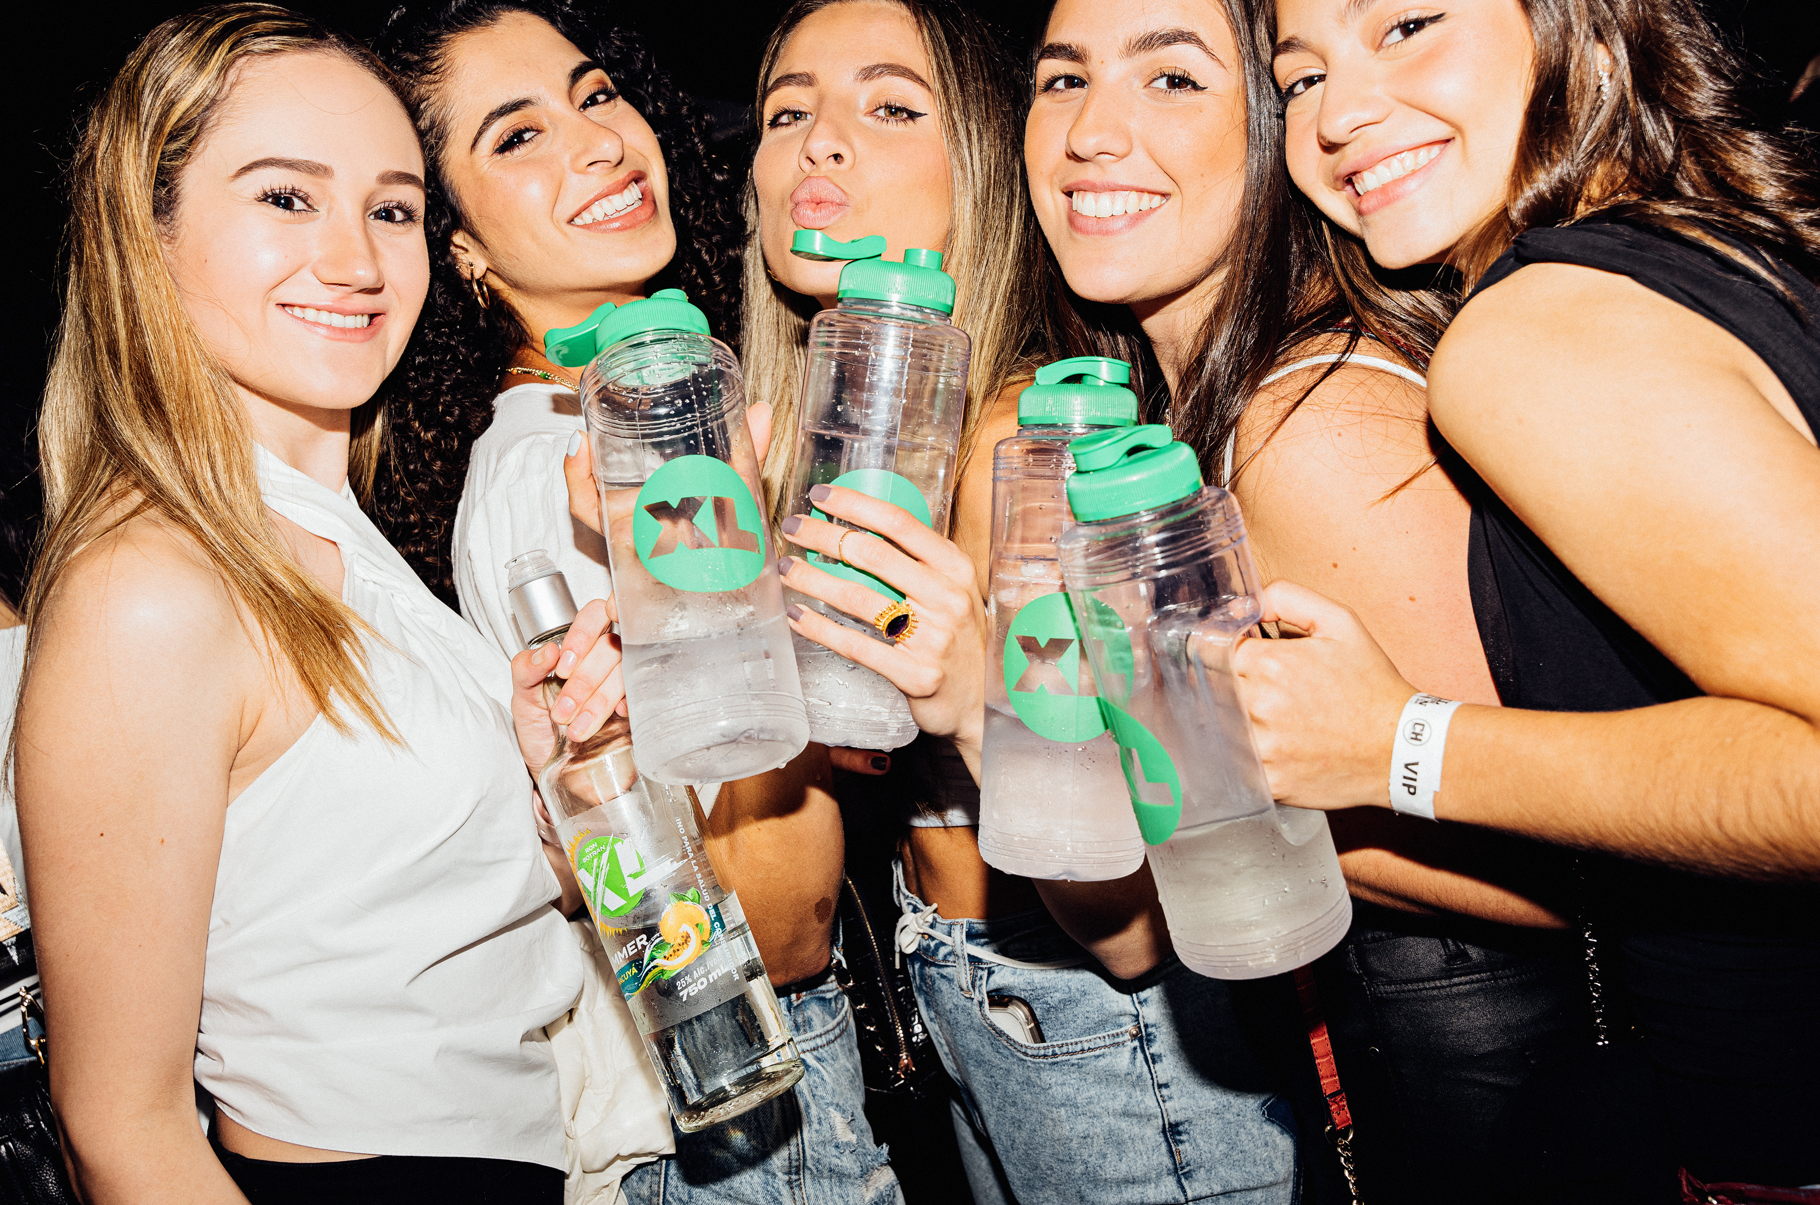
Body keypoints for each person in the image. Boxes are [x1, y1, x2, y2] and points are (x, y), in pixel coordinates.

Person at [15, 6, 626, 1200]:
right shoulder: (152, 585)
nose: (356, 259)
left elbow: (413, 934)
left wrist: (556, 785)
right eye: (286, 197)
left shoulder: (341, 544)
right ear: (146, 231)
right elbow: (123, 1129)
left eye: (392, 208)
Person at [1024, 0, 1589, 1199]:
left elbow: (1568, 873)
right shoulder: (1178, 426)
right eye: (1060, 80)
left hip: (1510, 1124)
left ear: (1274, 132)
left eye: (1170, 79)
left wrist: (1227, 798)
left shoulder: (1307, 423)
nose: (1088, 132)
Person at [1260, 0, 1820, 1191]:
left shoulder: (1532, 334)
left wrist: (1395, 744)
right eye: (1297, 77)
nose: (1338, 114)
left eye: (1406, 25)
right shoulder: (1702, 249)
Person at [745, 0, 1299, 1200]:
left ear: (983, 171)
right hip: (971, 997)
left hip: (1101, 1028)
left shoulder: (1022, 451)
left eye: (890, 107)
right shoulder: (841, 437)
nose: (819, 140)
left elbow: (1133, 919)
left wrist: (966, 696)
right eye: (786, 112)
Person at [371, 3, 894, 1201]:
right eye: (516, 135)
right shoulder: (560, 475)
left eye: (596, 94)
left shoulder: (612, 426)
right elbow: (775, 916)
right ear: (459, 246)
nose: (600, 141)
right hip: (742, 1101)